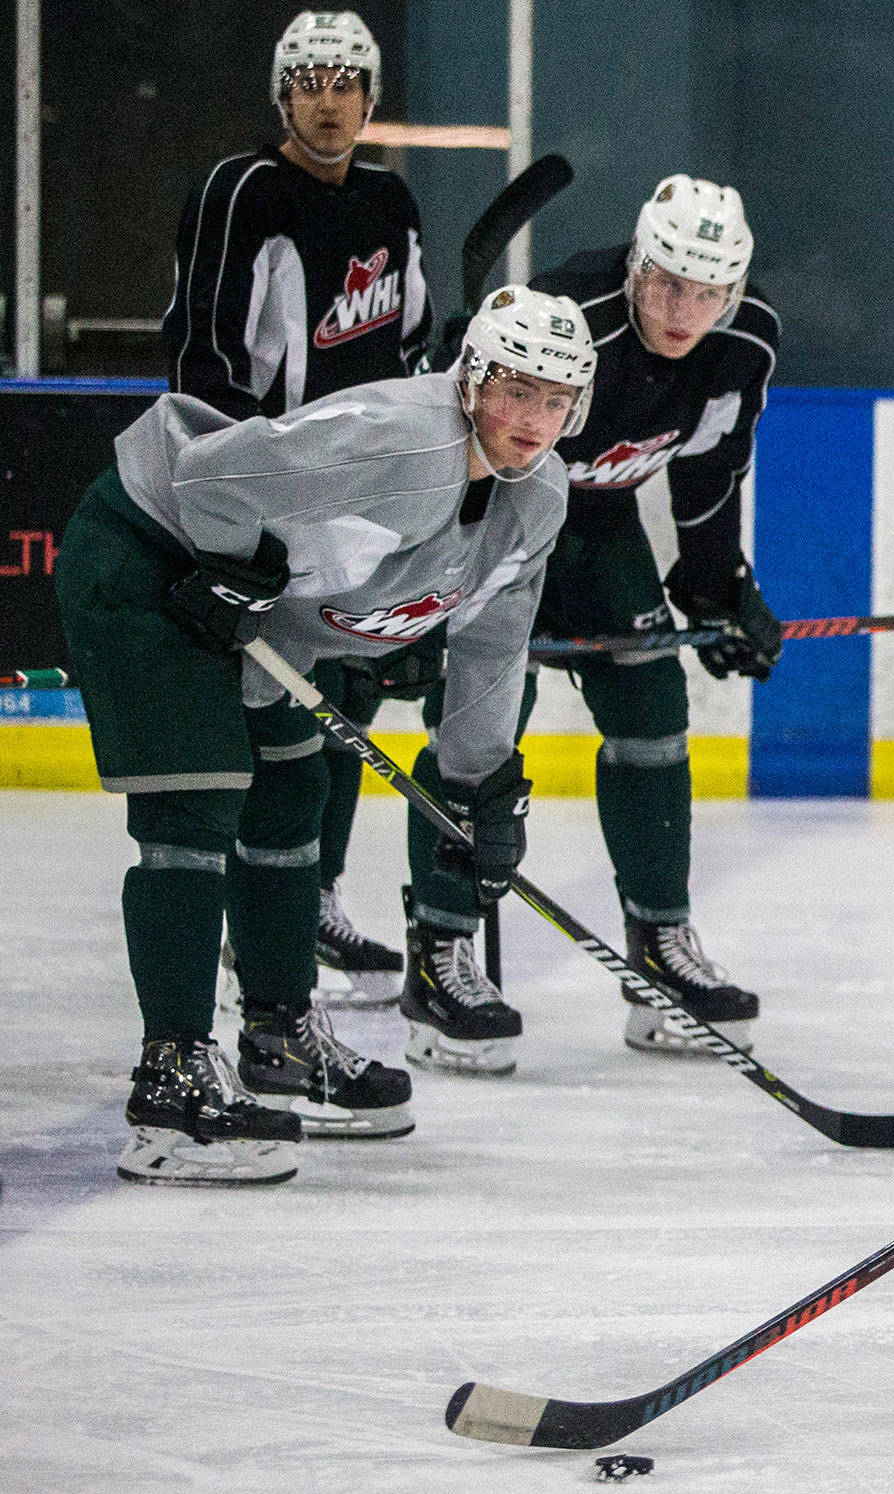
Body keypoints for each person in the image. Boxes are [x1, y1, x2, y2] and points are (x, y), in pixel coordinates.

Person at [56, 285, 594, 1184]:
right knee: (199, 800)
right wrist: (231, 569)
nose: (530, 418)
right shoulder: (403, 438)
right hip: (152, 551)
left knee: (292, 786)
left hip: (246, 609)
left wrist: (477, 787)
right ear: (469, 381)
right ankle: (172, 1084)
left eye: (554, 399)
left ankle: (279, 1038)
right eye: (512, 388)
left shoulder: (537, 497)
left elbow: (495, 645)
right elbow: (210, 474)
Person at [400, 173, 782, 1072]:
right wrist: (424, 586)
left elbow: (710, 464)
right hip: (497, 524)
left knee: (653, 708)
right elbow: (448, 448)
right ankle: (441, 955)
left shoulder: (743, 343)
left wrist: (715, 580)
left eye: (708, 292)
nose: (684, 310)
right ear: (636, 264)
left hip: (600, 526)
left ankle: (660, 952)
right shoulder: (573, 318)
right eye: (667, 284)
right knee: (478, 731)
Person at [163, 9, 438, 997]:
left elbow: (412, 349)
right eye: (310, 81)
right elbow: (205, 351)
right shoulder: (243, 190)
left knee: (348, 699)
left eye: (347, 81)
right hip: (271, 483)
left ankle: (309, 895)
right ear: (284, 95)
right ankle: (259, 908)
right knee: (273, 709)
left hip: (358, 489)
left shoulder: (392, 203)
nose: (329, 100)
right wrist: (231, 511)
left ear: (369, 96)